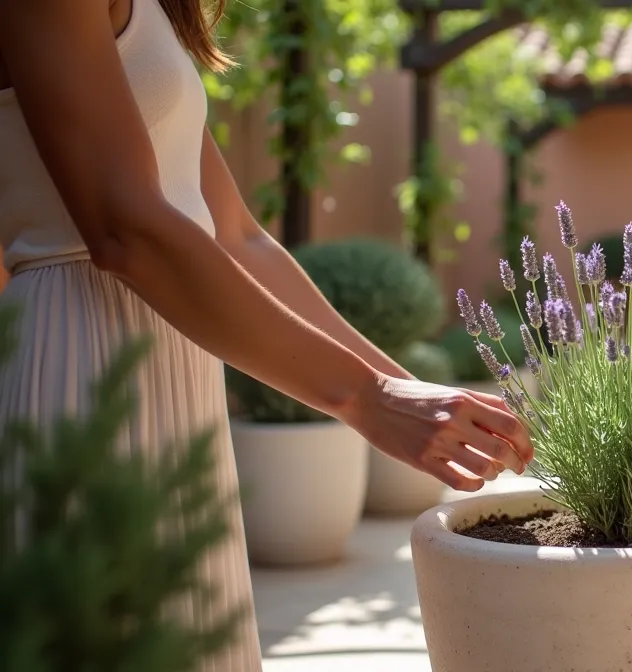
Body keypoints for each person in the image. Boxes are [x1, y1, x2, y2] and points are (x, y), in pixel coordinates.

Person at [0, 1, 534, 669]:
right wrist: (364, 397)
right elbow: (122, 230)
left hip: (173, 378)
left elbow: (235, 236)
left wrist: (396, 385)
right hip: (83, 369)